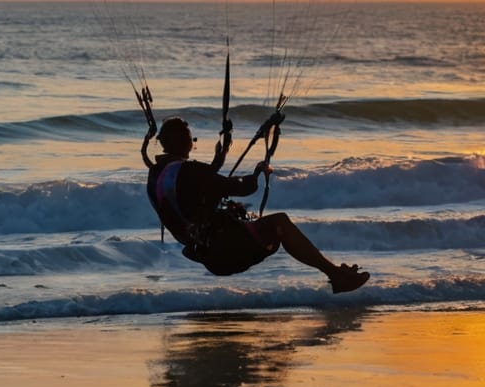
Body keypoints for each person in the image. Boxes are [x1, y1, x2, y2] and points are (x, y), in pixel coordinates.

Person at [143, 116, 370, 293]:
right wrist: (258, 172)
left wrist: (216, 164)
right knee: (279, 223)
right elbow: (244, 187)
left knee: (256, 222)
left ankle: (336, 275)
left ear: (162, 144)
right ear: (186, 143)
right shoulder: (192, 171)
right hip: (225, 252)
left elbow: (192, 193)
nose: (192, 144)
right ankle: (336, 275)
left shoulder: (155, 176)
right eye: (191, 139)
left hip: (205, 253)